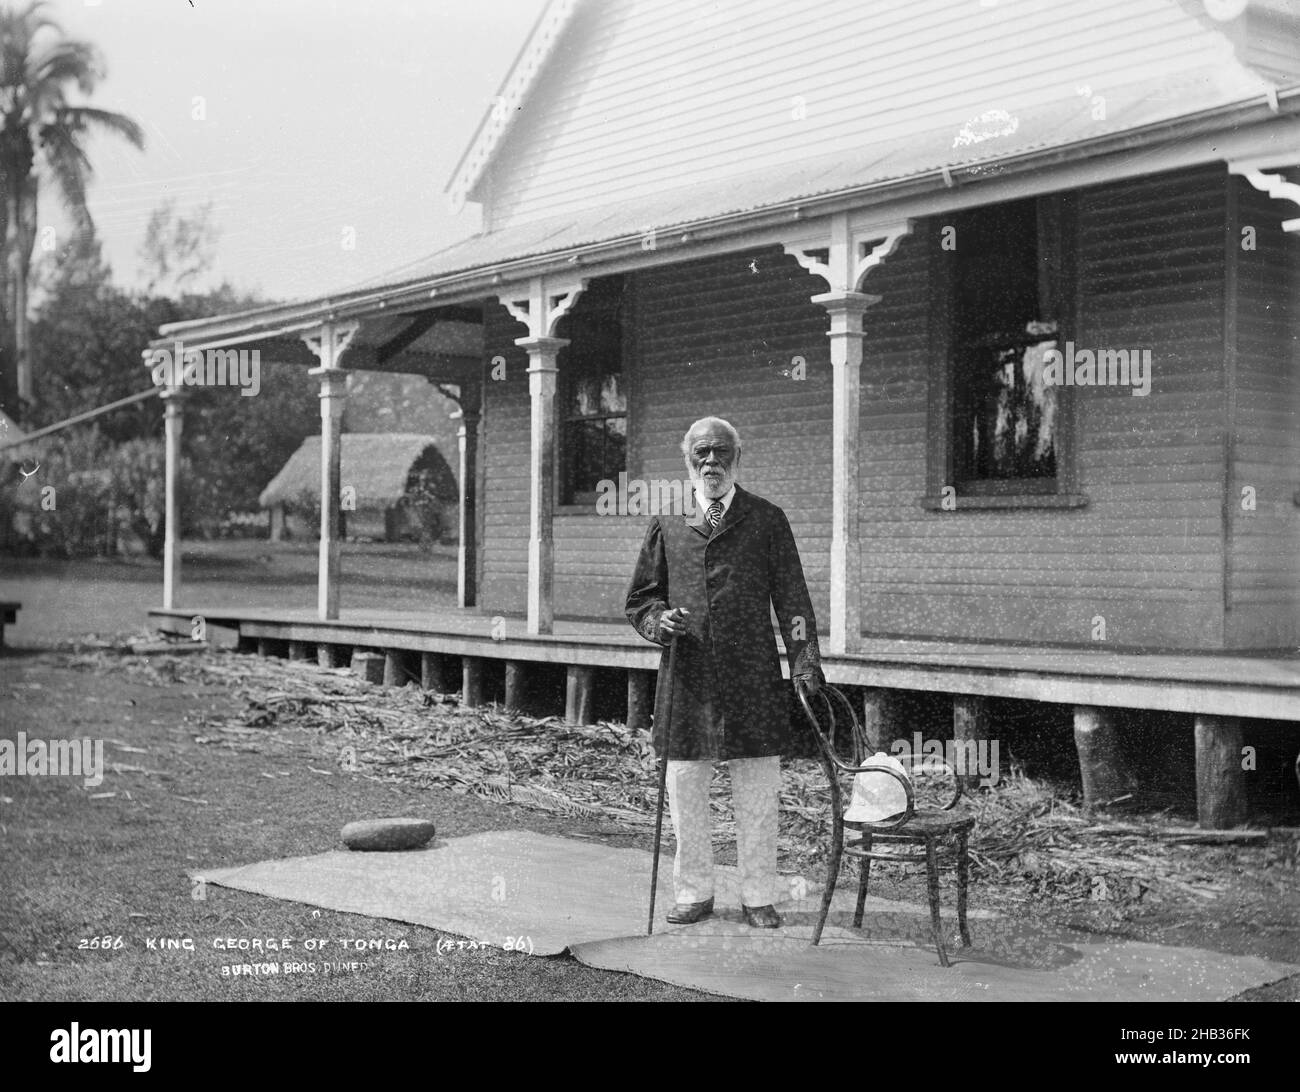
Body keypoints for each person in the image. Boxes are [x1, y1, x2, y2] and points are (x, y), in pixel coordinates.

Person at [625, 415, 823, 928]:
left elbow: (794, 600)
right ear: (687, 459)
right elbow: (641, 600)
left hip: (752, 676)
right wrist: (658, 622)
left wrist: (804, 662)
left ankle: (759, 895)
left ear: (739, 457)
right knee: (686, 786)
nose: (711, 463)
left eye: (721, 454)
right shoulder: (667, 523)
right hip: (687, 678)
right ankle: (694, 892)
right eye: (701, 454)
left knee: (757, 789)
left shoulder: (766, 519)